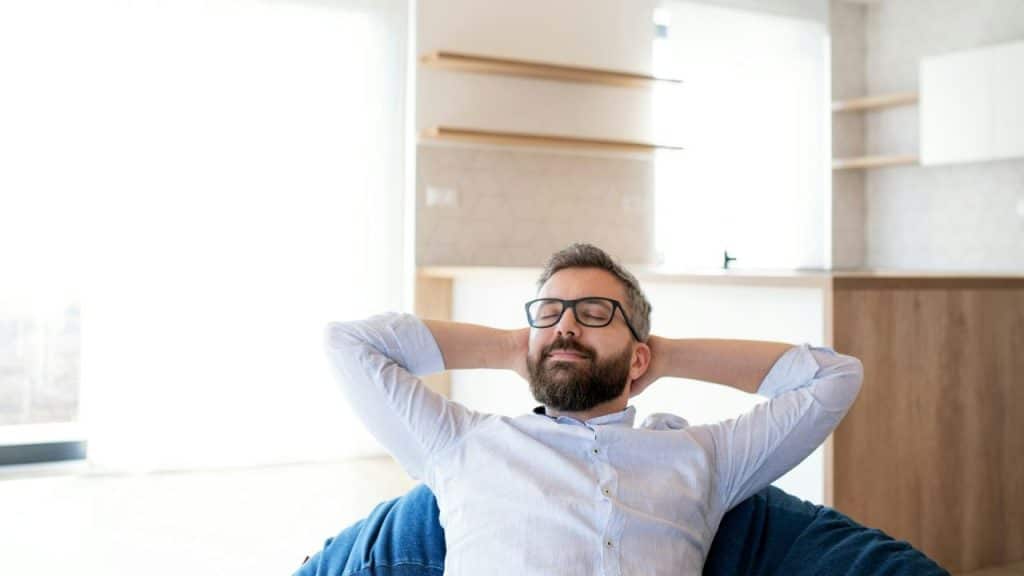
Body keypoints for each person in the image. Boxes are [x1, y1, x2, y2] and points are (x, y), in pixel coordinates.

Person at [323, 243, 863, 575]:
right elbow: (349, 343)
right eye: (551, 313)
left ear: (638, 357)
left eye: (595, 313)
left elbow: (833, 378)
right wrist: (515, 347)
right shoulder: (461, 443)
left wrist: (665, 356)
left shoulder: (705, 456)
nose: (566, 325)